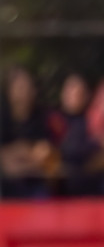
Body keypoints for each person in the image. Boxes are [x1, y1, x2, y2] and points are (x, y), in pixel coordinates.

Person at [0, 67, 57, 198]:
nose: (25, 91)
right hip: (6, 184)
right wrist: (22, 150)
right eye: (20, 87)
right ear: (10, 92)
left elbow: (45, 155)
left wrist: (20, 158)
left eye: (28, 86)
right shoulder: (3, 119)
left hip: (35, 183)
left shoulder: (42, 118)